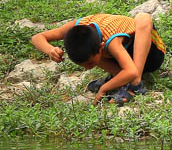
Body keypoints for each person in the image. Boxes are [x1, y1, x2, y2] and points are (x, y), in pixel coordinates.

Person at [30, 12, 165, 105]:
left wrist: (104, 88)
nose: (87, 68)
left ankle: (135, 84)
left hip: (151, 56)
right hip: (122, 55)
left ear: (101, 46)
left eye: (88, 63)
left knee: (143, 18)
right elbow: (37, 37)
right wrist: (50, 49)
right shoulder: (78, 28)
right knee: (97, 56)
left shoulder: (111, 41)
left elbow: (131, 71)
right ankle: (120, 80)